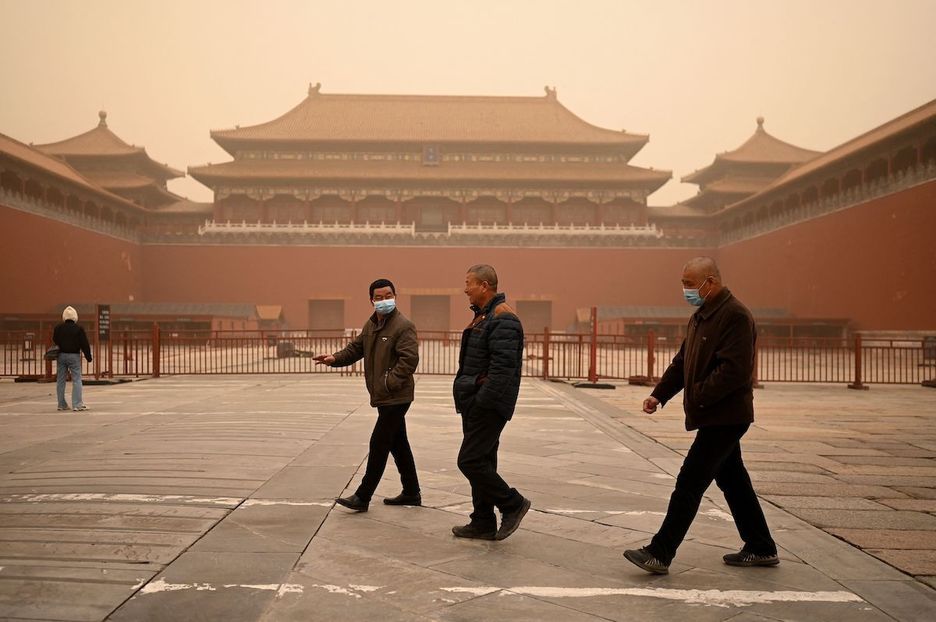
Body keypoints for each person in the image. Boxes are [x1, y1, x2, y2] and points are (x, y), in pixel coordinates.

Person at [624, 256, 778, 574]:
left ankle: (660, 552)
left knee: (689, 482)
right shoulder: (701, 316)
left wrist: (700, 395)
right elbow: (682, 363)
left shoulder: (735, 315)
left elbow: (734, 371)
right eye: (683, 284)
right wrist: (659, 394)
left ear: (710, 281)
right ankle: (761, 546)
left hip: (726, 416)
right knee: (734, 481)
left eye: (689, 284)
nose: (685, 290)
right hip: (713, 415)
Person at [314, 278, 421, 512]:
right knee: (398, 443)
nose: (385, 300)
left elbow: (409, 359)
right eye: (379, 297)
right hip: (384, 396)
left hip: (397, 396)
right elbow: (356, 349)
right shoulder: (371, 325)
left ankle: (363, 496)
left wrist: (388, 382)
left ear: (395, 296)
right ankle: (412, 492)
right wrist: (334, 359)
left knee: (379, 442)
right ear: (372, 300)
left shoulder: (403, 325)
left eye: (388, 295)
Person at [452, 264, 531, 541]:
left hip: (487, 405)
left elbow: (503, 370)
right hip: (475, 400)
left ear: (484, 285)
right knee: (483, 460)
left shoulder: (503, 318)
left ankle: (512, 503)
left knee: (469, 460)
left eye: (468, 283)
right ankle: (482, 520)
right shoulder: (484, 316)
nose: (465, 289)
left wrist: (482, 401)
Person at [53, 305, 92, 412]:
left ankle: (61, 404)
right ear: (75, 316)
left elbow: (55, 340)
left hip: (61, 356)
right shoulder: (79, 328)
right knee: (77, 380)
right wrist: (88, 357)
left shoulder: (58, 328)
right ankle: (77, 404)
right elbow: (84, 343)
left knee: (60, 380)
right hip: (74, 356)